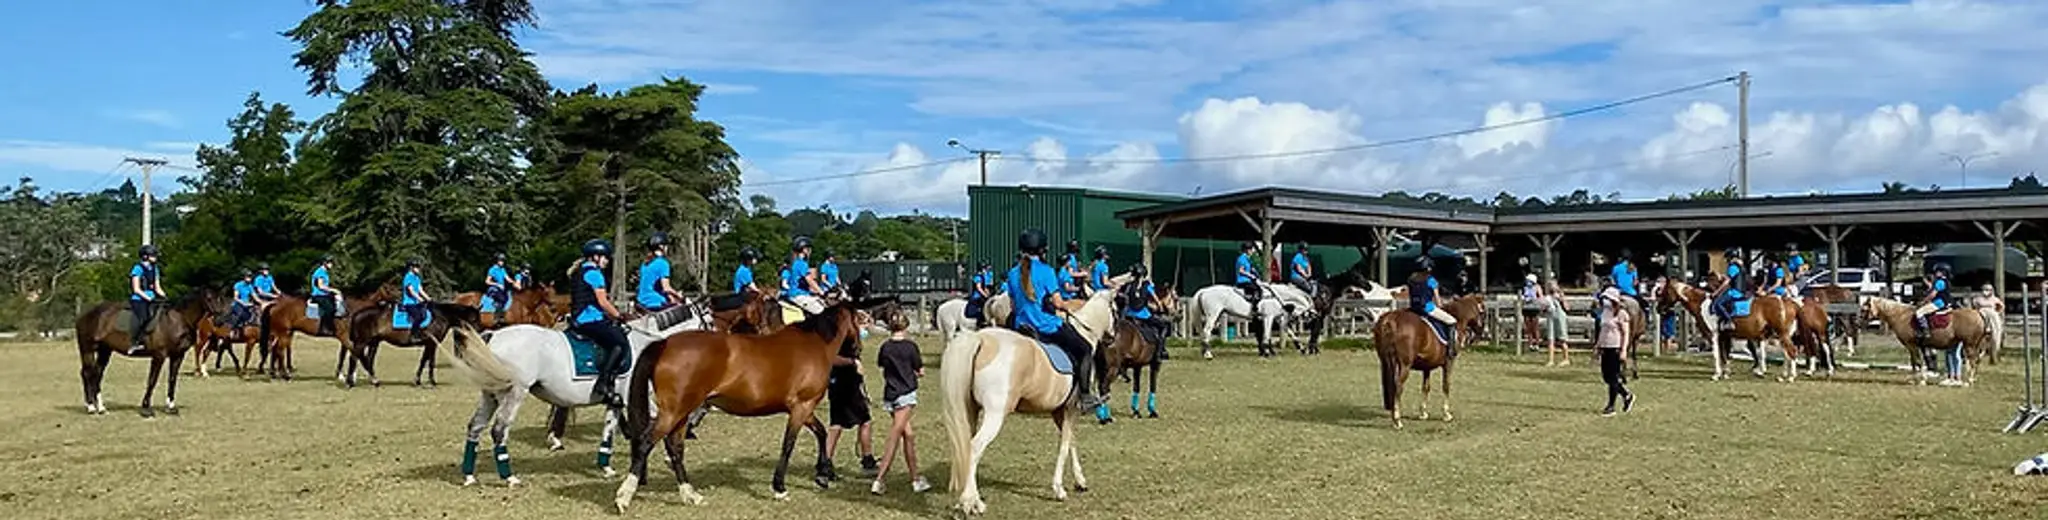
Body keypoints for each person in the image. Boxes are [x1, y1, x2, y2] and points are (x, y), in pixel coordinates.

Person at [1006, 228, 1101, 411]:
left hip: (1021, 325)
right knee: (1085, 349)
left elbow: (1013, 306)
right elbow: (1058, 303)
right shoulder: (1047, 271)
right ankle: (1086, 396)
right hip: (1044, 325)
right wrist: (1071, 306)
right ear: (1042, 250)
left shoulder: (1012, 273)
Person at [871, 311, 931, 495]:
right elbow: (919, 370)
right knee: (895, 435)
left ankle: (915, 478)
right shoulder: (910, 347)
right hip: (906, 394)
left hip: (890, 394)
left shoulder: (885, 347)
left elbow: (881, 365)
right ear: (905, 327)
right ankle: (879, 479)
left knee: (909, 436)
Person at [568, 239, 631, 408]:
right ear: (595, 257)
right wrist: (619, 316)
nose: (607, 261)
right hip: (590, 321)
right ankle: (603, 382)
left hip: (578, 319)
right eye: (605, 258)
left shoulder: (579, 272)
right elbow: (603, 302)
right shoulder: (595, 274)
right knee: (619, 342)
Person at [824, 320, 877, 480]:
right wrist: (852, 362)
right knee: (864, 421)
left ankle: (825, 462)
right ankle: (867, 461)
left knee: (837, 425)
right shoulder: (841, 339)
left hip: (841, 383)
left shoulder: (836, 335)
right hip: (846, 384)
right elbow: (831, 358)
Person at [1594, 287, 1635, 416]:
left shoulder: (1622, 314)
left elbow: (1626, 333)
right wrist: (1598, 345)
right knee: (1606, 377)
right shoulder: (1606, 313)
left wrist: (1623, 350)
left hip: (1615, 347)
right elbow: (1603, 330)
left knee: (1613, 377)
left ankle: (1611, 406)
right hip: (1605, 346)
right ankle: (1626, 395)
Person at [1409, 256, 1460, 348]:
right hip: (1428, 308)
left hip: (1414, 308)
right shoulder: (1431, 280)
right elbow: (1438, 302)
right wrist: (1444, 303)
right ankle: (1451, 348)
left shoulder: (1411, 279)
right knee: (1452, 321)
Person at [1121, 263, 1169, 360]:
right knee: (1164, 326)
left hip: (1128, 315)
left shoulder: (1128, 286)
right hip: (1143, 315)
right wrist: (1160, 308)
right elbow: (1157, 301)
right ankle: (1160, 351)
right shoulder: (1147, 286)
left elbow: (1124, 297)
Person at [126, 245, 166, 354]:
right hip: (139, 299)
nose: (155, 257)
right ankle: (135, 342)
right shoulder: (137, 268)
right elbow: (136, 289)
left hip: (152, 298)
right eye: (153, 255)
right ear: (145, 256)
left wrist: (164, 296)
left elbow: (157, 287)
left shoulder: (155, 269)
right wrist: (147, 297)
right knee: (143, 318)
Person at [635, 233, 683, 313]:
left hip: (642, 303)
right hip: (656, 303)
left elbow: (656, 287)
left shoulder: (645, 264)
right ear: (661, 247)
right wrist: (679, 295)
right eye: (666, 246)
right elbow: (666, 288)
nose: (667, 248)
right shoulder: (663, 263)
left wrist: (672, 298)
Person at [1914, 262, 1953, 345]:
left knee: (1919, 312)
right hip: (1944, 302)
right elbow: (1932, 288)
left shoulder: (1940, 282)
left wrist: (1923, 301)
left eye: (1938, 271)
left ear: (1943, 272)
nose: (1936, 273)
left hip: (1939, 303)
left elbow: (1933, 294)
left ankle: (1925, 331)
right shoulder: (1944, 281)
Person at [785, 237, 826, 315]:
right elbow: (809, 280)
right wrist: (821, 292)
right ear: (804, 249)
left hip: (800, 294)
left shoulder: (796, 262)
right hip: (798, 295)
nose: (810, 251)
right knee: (821, 310)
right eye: (809, 248)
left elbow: (801, 282)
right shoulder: (802, 264)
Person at [1711, 248, 1748, 320]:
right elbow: (1734, 277)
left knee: (1718, 303)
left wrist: (1716, 292)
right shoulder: (1742, 267)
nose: (1726, 260)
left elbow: (1726, 282)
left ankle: (1729, 321)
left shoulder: (1733, 267)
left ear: (1730, 257)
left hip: (1735, 292)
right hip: (1743, 291)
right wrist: (1722, 276)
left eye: (1727, 258)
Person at [400, 258, 432, 342]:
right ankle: (413, 335)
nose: (419, 269)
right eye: (417, 267)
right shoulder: (408, 277)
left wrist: (428, 298)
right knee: (419, 316)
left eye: (419, 267)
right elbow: (411, 291)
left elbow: (420, 290)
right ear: (411, 267)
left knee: (426, 314)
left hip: (416, 303)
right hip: (409, 303)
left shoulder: (417, 278)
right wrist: (420, 299)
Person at [310, 255, 339, 336]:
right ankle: (324, 328)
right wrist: (334, 290)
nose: (332, 265)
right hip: (318, 295)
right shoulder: (320, 272)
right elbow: (321, 286)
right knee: (330, 308)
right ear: (324, 263)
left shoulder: (325, 272)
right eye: (330, 263)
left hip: (324, 294)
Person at [1543, 279, 1569, 366]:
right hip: (1550, 317)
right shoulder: (1547, 297)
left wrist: (1561, 299)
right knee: (1550, 339)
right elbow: (1543, 309)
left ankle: (1566, 359)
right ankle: (1551, 360)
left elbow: (1567, 308)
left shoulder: (1560, 295)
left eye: (1553, 285)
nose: (1551, 287)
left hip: (1560, 317)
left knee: (1562, 339)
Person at [484, 253, 512, 323]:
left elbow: (508, 279)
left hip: (501, 289)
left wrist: (515, 283)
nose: (502, 262)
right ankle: (497, 317)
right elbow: (487, 281)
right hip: (493, 289)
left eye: (503, 261)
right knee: (501, 299)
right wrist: (497, 284)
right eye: (500, 260)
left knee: (507, 297)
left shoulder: (502, 269)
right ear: (496, 261)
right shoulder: (492, 270)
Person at [966, 262, 993, 327]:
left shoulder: (982, 277)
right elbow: (979, 288)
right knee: (983, 305)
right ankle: (981, 320)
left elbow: (985, 287)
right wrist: (985, 295)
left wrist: (988, 294)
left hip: (981, 295)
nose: (985, 270)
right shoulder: (978, 277)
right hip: (977, 296)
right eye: (984, 269)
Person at [1520, 273, 1543, 344]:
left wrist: (1534, 299)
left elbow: (1541, 297)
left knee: (1535, 327)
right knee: (1528, 327)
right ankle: (1530, 342)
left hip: (1535, 309)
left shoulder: (1537, 287)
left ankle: (1537, 342)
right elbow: (1522, 296)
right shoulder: (1525, 288)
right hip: (1526, 308)